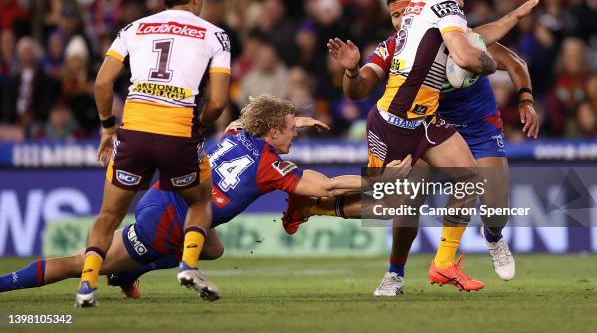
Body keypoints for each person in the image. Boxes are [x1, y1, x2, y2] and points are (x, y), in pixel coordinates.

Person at [287, 0, 547, 294]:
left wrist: (512, 20)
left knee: (478, 187)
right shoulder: (401, 39)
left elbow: (491, 47)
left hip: (445, 121)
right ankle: (327, 214)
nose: (399, 22)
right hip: (401, 122)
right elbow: (360, 87)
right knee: (393, 202)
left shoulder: (443, 19)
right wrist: (351, 70)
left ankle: (456, 256)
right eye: (394, 15)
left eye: (403, 13)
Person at [0, 95, 409, 298]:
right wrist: (380, 178)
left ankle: (130, 273)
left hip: (167, 199)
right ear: (271, 133)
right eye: (290, 128)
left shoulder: (235, 134)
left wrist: (290, 116)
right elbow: (328, 186)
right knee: (79, 263)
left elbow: (239, 119)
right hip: (167, 221)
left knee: (211, 248)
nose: (295, 133)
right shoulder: (268, 164)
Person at [75, 0, 231, 307]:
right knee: (200, 201)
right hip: (178, 132)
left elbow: (102, 83)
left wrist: (107, 127)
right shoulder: (214, 35)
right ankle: (188, 265)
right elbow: (218, 102)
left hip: (133, 131)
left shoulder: (134, 28)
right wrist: (201, 124)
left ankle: (87, 286)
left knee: (108, 215)